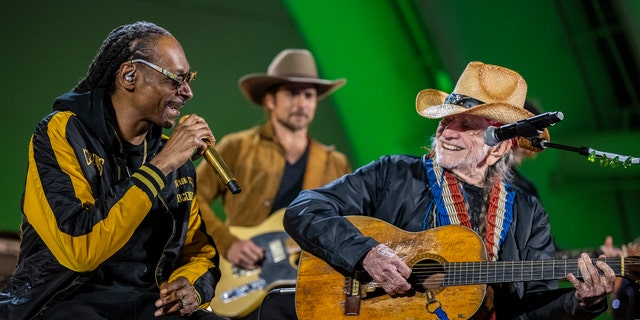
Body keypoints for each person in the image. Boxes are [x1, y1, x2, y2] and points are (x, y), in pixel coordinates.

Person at [284, 61, 616, 319]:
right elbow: (305, 208)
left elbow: (530, 311)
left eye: (467, 124)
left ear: (499, 148)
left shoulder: (528, 213)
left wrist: (583, 303)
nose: (448, 132)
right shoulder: (395, 174)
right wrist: (366, 253)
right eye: (446, 120)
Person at [0, 21, 222, 320]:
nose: (187, 92)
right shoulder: (62, 132)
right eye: (176, 79)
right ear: (129, 75)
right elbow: (80, 249)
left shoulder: (175, 158)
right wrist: (161, 165)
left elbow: (198, 252)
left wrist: (191, 287)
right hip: (63, 302)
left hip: (147, 305)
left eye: (189, 78)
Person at [195, 49, 351, 319]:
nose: (301, 103)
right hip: (245, 279)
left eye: (309, 95)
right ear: (269, 99)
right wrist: (227, 241)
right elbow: (191, 195)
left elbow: (350, 221)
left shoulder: (334, 163)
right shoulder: (237, 147)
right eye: (292, 93)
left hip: (308, 284)